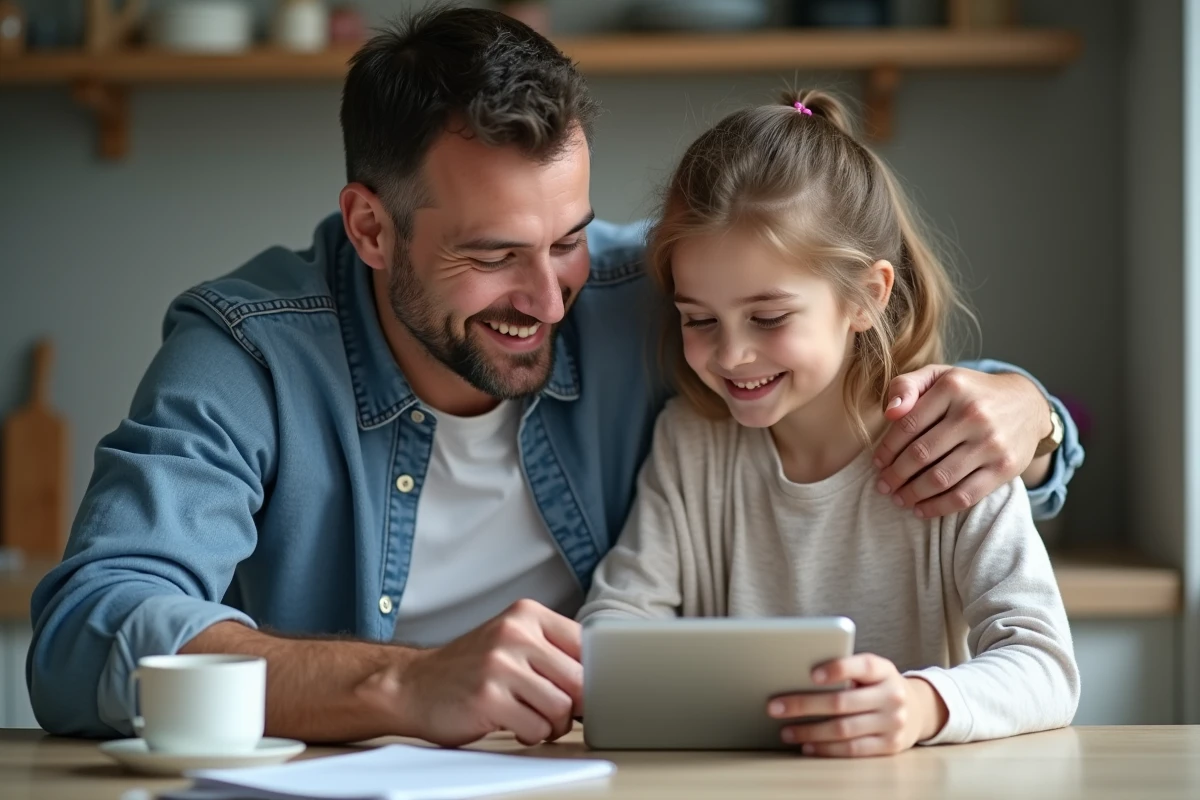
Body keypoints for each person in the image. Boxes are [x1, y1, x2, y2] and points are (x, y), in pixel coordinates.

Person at [27, 8, 1082, 746]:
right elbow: (88, 631)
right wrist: (400, 681)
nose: (549, 295)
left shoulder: (641, 289)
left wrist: (1031, 411)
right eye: (493, 255)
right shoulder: (250, 350)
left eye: (568, 237)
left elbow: (831, 336)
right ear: (370, 227)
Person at [578, 91, 1080, 756]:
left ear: (865, 297)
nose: (730, 355)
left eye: (769, 317)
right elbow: (612, 628)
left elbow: (1046, 666)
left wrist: (922, 705)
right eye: (699, 319)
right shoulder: (690, 444)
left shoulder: (953, 445)